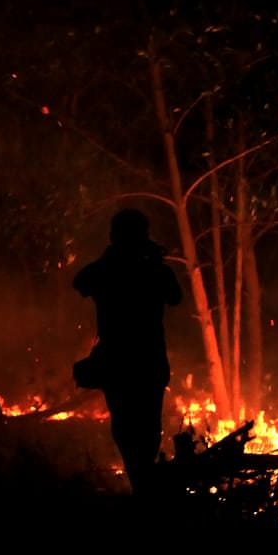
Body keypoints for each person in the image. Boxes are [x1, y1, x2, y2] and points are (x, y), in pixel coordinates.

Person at [72, 209, 182, 494]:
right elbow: (175, 296)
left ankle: (141, 485)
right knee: (145, 428)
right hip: (147, 361)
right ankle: (144, 486)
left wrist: (115, 258)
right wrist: (147, 259)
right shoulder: (152, 269)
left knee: (126, 427)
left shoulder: (110, 268)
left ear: (114, 236)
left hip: (119, 362)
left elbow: (82, 282)